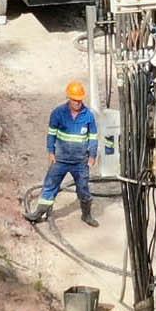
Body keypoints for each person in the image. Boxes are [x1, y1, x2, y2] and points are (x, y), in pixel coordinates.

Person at [28, 79, 101, 225]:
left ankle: (86, 215)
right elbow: (51, 134)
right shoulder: (58, 113)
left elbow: (93, 137)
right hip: (61, 159)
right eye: (74, 100)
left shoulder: (88, 116)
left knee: (83, 190)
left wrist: (92, 156)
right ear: (69, 98)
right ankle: (39, 213)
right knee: (50, 185)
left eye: (79, 100)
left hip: (80, 161)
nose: (77, 103)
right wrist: (51, 152)